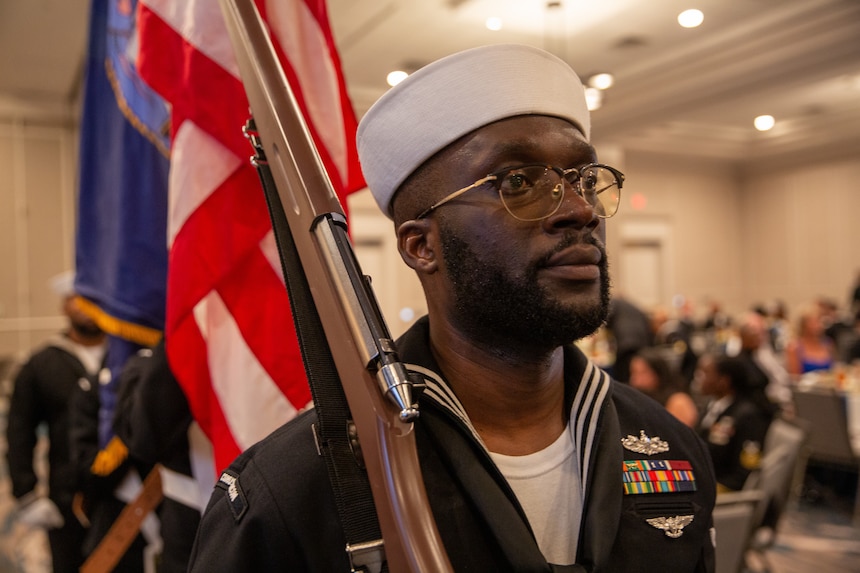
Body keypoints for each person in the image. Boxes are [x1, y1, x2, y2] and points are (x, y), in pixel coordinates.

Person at [189, 44, 716, 571]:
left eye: (583, 179)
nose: (580, 210)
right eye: (519, 183)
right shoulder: (300, 488)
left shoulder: (665, 444)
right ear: (422, 246)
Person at [5, 271, 107, 573]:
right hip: (66, 494)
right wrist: (26, 493)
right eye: (77, 300)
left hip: (124, 490)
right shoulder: (42, 363)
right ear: (64, 306)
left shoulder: (125, 356)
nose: (84, 308)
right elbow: (19, 430)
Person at [696, 354, 775, 492]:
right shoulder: (713, 406)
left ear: (724, 381)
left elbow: (744, 474)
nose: (699, 378)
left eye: (706, 373)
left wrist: (707, 491)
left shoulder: (748, 416)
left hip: (719, 490)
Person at [628, 348, 699, 428]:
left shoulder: (678, 401)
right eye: (633, 373)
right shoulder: (636, 400)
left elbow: (678, 436)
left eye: (642, 373)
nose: (634, 379)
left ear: (658, 373)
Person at [784, 306, 835, 378]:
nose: (818, 325)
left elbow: (833, 372)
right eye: (813, 321)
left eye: (819, 321)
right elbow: (794, 379)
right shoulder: (794, 347)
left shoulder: (827, 344)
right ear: (803, 325)